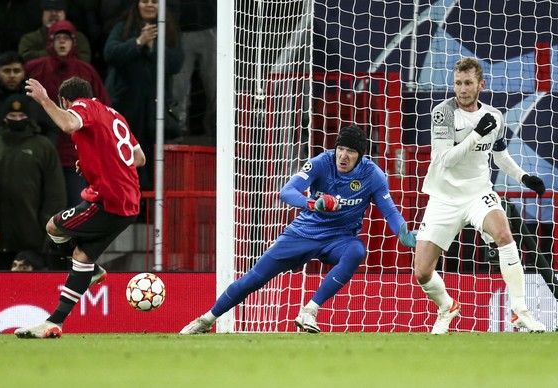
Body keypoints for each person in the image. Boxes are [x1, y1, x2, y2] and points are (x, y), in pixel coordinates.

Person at [180, 125, 418, 334]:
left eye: (351, 151)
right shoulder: (320, 163)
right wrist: (312, 203)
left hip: (340, 238)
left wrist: (403, 233)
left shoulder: (373, 175)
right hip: (303, 233)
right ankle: (206, 319)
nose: (343, 156)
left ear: (360, 156)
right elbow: (287, 191)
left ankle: (309, 311)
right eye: (341, 149)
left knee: (356, 251)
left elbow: (390, 211)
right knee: (253, 279)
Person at [414, 57, 547, 334]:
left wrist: (523, 177)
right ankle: (447, 306)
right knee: (422, 272)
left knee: (504, 234)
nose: (462, 90)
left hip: (478, 194)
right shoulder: (444, 113)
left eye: (468, 83)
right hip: (444, 198)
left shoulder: (494, 117)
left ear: (480, 85)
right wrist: (475, 135)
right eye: (458, 83)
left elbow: (499, 156)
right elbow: (445, 160)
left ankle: (520, 311)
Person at [15, 76, 146, 339]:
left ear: (66, 100)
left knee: (53, 227)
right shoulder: (114, 115)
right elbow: (138, 157)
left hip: (108, 200)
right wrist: (95, 161)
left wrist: (43, 98)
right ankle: (55, 322)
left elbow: (67, 123)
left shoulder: (85, 107)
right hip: (129, 202)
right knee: (83, 257)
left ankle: (93, 272)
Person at [25, 20, 110, 208]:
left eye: (67, 38)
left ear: (74, 42)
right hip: (40, 150)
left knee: (76, 208)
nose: (62, 42)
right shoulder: (35, 68)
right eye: (58, 38)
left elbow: (102, 107)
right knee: (40, 206)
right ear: (50, 42)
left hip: (75, 154)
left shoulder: (86, 71)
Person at [104, 0, 183, 191]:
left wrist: (153, 47)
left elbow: (176, 63)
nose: (150, 5)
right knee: (125, 156)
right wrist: (138, 42)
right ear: (136, 5)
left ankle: (149, 206)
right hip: (126, 107)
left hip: (155, 109)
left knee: (153, 158)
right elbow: (110, 53)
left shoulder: (169, 31)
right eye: (145, 1)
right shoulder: (122, 28)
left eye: (154, 2)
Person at [0, 94, 66, 270]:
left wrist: (47, 233)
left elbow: (55, 195)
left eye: (21, 116)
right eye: (12, 116)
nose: (17, 119)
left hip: (31, 242)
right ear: (4, 117)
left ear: (29, 118)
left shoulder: (43, 146)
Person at [171, 0, 216, 143]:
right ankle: (176, 130)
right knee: (178, 87)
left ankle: (216, 129)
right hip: (182, 30)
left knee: (215, 85)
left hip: (211, 27)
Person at [0, 51, 47, 140]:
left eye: (16, 71)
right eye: (7, 71)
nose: (12, 76)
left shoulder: (34, 98)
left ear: (23, 73)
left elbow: (50, 128)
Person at [18, 0, 91, 64]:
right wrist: (53, 51)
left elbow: (84, 60)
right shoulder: (29, 39)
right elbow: (23, 59)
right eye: (49, 10)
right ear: (42, 14)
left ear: (65, 14)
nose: (53, 14)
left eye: (58, 10)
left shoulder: (78, 37)